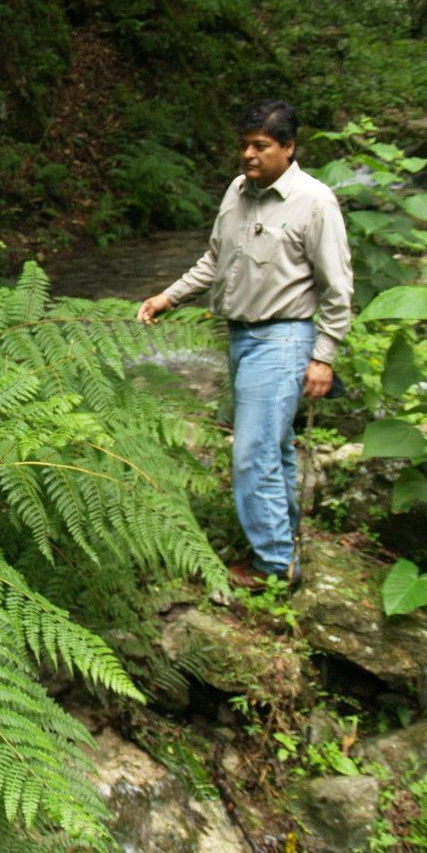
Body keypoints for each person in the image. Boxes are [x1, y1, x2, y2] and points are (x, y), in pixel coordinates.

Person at [136, 100, 353, 585]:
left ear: (289, 147)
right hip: (240, 337)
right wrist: (169, 297)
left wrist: (324, 356)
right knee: (273, 449)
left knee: (252, 451)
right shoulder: (238, 192)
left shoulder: (315, 202)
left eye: (261, 146)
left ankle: (274, 564)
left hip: (284, 339)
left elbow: (338, 287)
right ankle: (283, 544)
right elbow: (216, 259)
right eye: (244, 146)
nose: (249, 156)